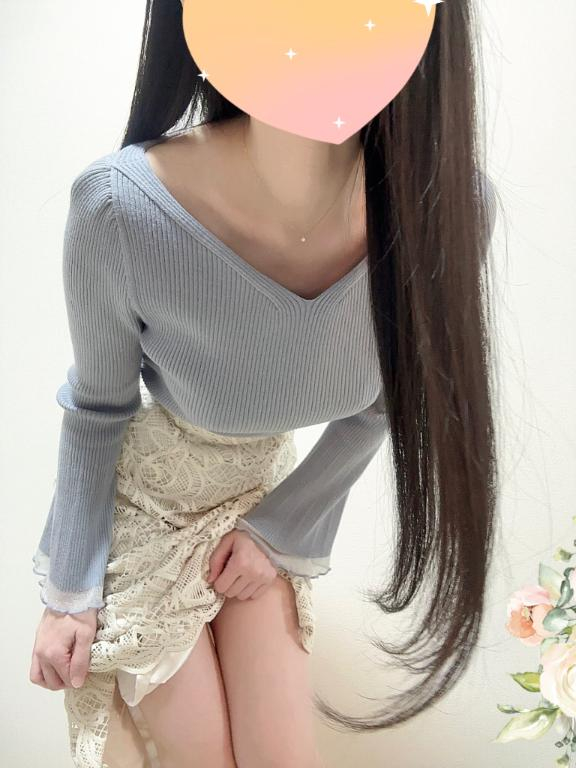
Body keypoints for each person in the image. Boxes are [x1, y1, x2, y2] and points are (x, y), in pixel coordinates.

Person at [29, 1, 499, 767]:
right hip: (146, 509)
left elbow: (391, 400)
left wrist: (283, 526)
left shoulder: (449, 211)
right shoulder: (120, 207)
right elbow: (98, 408)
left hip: (259, 496)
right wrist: (69, 594)